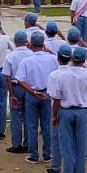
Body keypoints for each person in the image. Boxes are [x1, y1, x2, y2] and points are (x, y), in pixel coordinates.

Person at [48, 47, 87, 173]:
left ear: (71, 59)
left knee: (67, 146)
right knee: (81, 146)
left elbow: (56, 98)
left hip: (65, 111)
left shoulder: (62, 75)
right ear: (83, 60)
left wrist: (54, 115)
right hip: (82, 112)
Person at [14, 31, 57, 165]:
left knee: (32, 125)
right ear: (43, 44)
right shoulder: (52, 59)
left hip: (32, 94)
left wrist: (32, 91)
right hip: (46, 93)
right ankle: (47, 153)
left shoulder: (26, 61)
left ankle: (34, 154)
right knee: (47, 125)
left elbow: (20, 80)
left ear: (31, 44)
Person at [3, 31, 33, 154]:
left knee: (16, 116)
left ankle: (16, 144)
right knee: (29, 116)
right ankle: (28, 143)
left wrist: (11, 94)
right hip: (29, 87)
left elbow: (7, 77)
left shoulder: (10, 56)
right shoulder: (31, 54)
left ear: (15, 42)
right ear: (26, 41)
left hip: (16, 86)